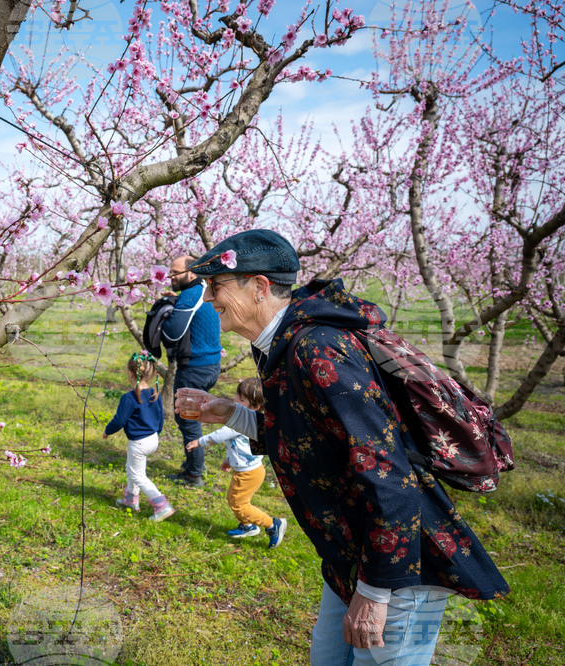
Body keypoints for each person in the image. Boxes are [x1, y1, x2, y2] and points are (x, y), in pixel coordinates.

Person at [177, 229, 509, 665]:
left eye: (216, 286)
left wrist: (374, 593)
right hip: (354, 552)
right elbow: (311, 438)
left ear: (258, 287)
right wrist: (230, 413)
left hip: (400, 563)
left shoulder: (317, 348)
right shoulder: (280, 345)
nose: (208, 297)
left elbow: (388, 474)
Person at [185, 377, 286, 548]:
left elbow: (220, 435)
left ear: (254, 407)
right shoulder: (251, 421)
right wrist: (229, 460)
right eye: (236, 396)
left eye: (241, 399)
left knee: (239, 503)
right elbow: (240, 448)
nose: (235, 401)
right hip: (248, 469)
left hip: (248, 473)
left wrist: (198, 442)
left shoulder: (238, 423)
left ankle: (272, 524)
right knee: (235, 500)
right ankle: (248, 526)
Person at [160, 254, 222, 488]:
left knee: (187, 418)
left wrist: (162, 316)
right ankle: (194, 466)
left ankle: (194, 474)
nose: (171, 276)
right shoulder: (203, 288)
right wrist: (177, 301)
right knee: (190, 415)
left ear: (192, 273)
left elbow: (173, 332)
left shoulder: (190, 294)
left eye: (176, 272)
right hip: (210, 364)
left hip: (195, 367)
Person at [103, 352, 174, 522]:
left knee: (137, 475)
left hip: (139, 443)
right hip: (152, 438)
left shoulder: (129, 398)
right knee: (133, 468)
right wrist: (158, 430)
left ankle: (161, 505)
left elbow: (119, 420)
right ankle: (130, 500)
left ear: (130, 373)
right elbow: (160, 416)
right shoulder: (154, 393)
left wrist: (107, 431)